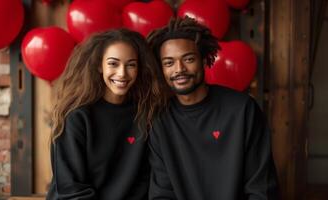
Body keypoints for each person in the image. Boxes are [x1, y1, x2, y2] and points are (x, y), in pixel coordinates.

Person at [146, 16, 279, 200]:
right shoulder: (160, 121)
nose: (179, 69)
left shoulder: (242, 110)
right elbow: (162, 194)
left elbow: (261, 190)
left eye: (189, 59)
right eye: (169, 63)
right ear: (162, 69)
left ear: (204, 59)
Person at [46, 28, 163, 200]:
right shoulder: (76, 116)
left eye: (131, 64)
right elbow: (72, 189)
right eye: (113, 63)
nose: (122, 73)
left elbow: (146, 181)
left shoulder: (147, 114)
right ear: (99, 66)